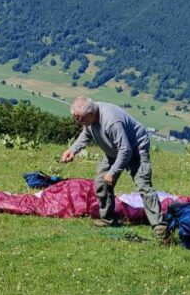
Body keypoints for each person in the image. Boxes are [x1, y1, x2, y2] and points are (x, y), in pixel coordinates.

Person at [61, 97, 166, 237]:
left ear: (91, 114)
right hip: (114, 151)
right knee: (101, 182)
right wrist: (72, 150)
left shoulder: (111, 121)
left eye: (79, 118)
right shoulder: (89, 118)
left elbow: (126, 150)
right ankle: (108, 219)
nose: (78, 121)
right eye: (75, 118)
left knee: (143, 185)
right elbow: (86, 134)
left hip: (135, 149)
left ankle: (159, 227)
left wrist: (113, 172)